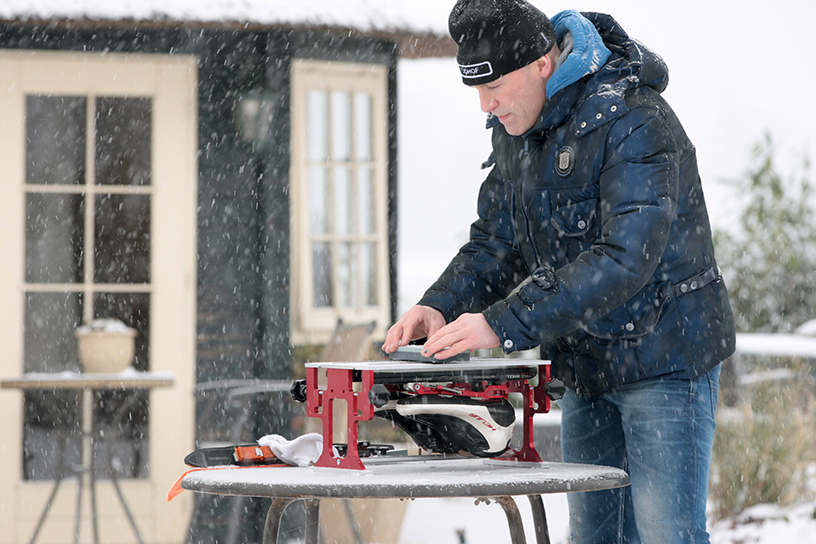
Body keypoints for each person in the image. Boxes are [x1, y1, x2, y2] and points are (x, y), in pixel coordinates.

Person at [382, 1, 736, 542]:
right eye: (477, 89)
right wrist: (439, 304)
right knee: (593, 538)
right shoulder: (515, 132)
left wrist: (502, 323)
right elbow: (497, 243)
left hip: (668, 362)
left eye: (495, 84)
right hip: (589, 366)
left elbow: (623, 258)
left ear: (543, 65)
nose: (487, 102)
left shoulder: (635, 119)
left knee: (669, 536)